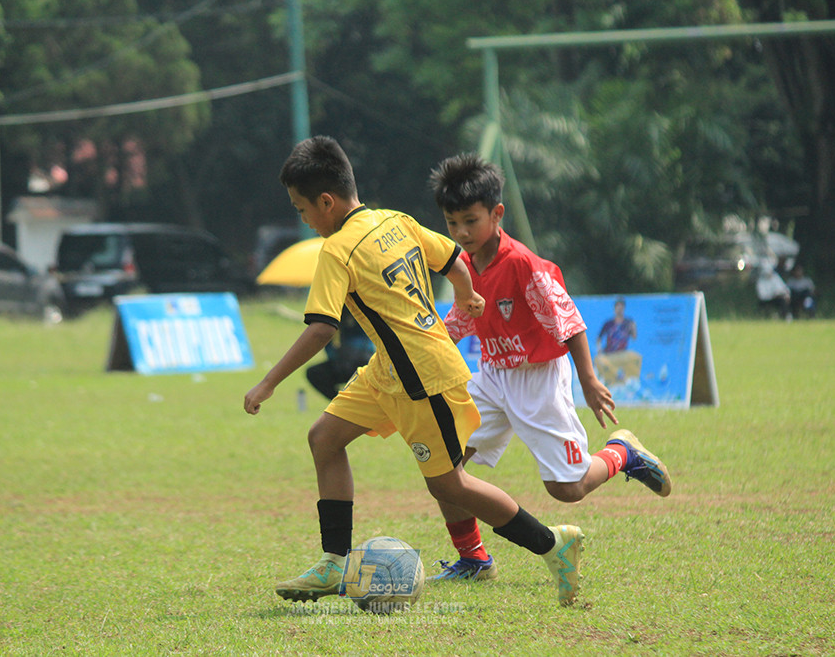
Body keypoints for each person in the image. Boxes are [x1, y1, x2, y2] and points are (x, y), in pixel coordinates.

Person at [244, 136, 587, 607]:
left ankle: (554, 544)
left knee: (450, 485)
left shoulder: (336, 250)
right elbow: (452, 260)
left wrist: (269, 381)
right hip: (387, 370)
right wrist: (466, 295)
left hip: (424, 378)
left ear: (326, 202)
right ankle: (333, 562)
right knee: (323, 437)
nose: (303, 219)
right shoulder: (394, 220)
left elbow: (322, 330)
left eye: (302, 210)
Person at [428, 153, 670, 582]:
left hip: (539, 378)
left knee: (567, 489)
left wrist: (590, 381)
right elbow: (463, 318)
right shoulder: (462, 265)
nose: (461, 232)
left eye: (470, 220)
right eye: (452, 223)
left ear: (496, 214)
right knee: (446, 471)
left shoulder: (522, 264)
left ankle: (623, 454)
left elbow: (570, 322)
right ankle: (474, 560)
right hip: (493, 377)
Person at [305, 307, 374, 400]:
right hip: (339, 361)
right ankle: (341, 404)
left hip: (362, 359)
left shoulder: (358, 307)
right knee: (314, 373)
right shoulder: (327, 312)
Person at [594, 297, 642, 387]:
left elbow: (634, 337)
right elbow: (599, 338)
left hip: (622, 353)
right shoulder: (608, 323)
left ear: (623, 309)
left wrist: (634, 327)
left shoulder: (628, 323)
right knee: (598, 361)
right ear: (614, 309)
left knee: (636, 358)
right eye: (618, 307)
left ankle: (631, 382)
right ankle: (605, 382)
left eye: (621, 308)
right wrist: (599, 349)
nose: (619, 310)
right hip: (609, 353)